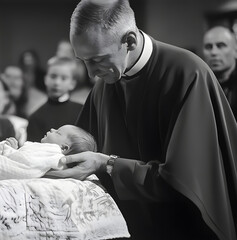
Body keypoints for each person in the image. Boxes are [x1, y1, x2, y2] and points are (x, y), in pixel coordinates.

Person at [46, 1, 237, 239]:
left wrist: (108, 164)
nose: (90, 73)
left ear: (130, 41)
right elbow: (77, 155)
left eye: (97, 59)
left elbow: (184, 185)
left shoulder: (187, 74)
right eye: (83, 60)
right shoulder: (103, 85)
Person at [0, 125, 96, 180]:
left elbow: (28, 163)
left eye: (58, 132)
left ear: (64, 148)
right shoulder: (46, 150)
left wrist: (10, 151)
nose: (52, 129)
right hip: (16, 164)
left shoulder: (56, 155)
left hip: (17, 169)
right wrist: (12, 150)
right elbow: (26, 156)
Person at [27, 57, 83, 142]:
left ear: (72, 83)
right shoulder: (36, 117)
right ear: (45, 79)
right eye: (53, 77)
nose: (57, 83)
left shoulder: (82, 111)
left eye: (63, 78)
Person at [203, 26, 237, 119]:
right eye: (208, 47)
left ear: (235, 50)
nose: (213, 52)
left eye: (221, 46)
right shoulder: (200, 83)